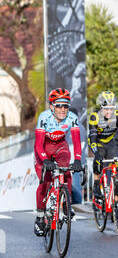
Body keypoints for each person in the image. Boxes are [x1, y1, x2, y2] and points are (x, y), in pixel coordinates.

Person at [34, 88, 83, 236]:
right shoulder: (44, 117)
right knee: (45, 182)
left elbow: (76, 142)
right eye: (58, 105)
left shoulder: (72, 117)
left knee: (65, 170)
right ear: (51, 106)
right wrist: (44, 160)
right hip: (43, 148)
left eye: (66, 105)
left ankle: (66, 204)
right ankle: (40, 216)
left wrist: (78, 160)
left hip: (61, 146)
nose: (62, 109)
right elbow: (38, 144)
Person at [88, 91, 118, 207]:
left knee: (117, 172)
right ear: (101, 107)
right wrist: (97, 155)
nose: (109, 111)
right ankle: (96, 184)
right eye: (106, 109)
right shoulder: (95, 116)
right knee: (98, 157)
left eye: (111, 108)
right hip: (98, 142)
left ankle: (115, 204)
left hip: (110, 142)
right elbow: (93, 138)